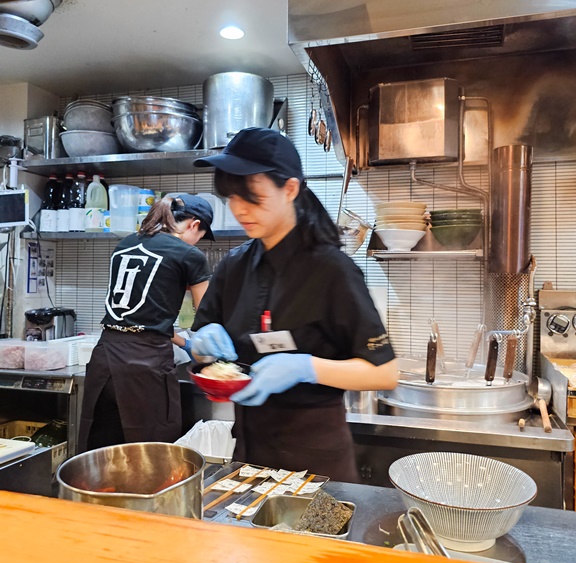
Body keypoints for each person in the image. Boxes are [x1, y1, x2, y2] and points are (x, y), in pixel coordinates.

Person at [191, 128, 397, 482]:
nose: (238, 209)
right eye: (230, 197)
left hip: (315, 458)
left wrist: (305, 367)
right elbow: (200, 351)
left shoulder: (331, 270)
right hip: (249, 453)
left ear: (289, 189)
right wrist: (202, 343)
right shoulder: (234, 266)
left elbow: (384, 372)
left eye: (251, 196)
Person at [78, 194, 214, 452]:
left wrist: (184, 342)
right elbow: (207, 314)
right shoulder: (189, 255)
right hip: (145, 365)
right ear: (194, 224)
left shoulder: (126, 243)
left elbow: (141, 318)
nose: (199, 243)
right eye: (202, 235)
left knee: (101, 453)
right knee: (152, 456)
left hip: (104, 358)